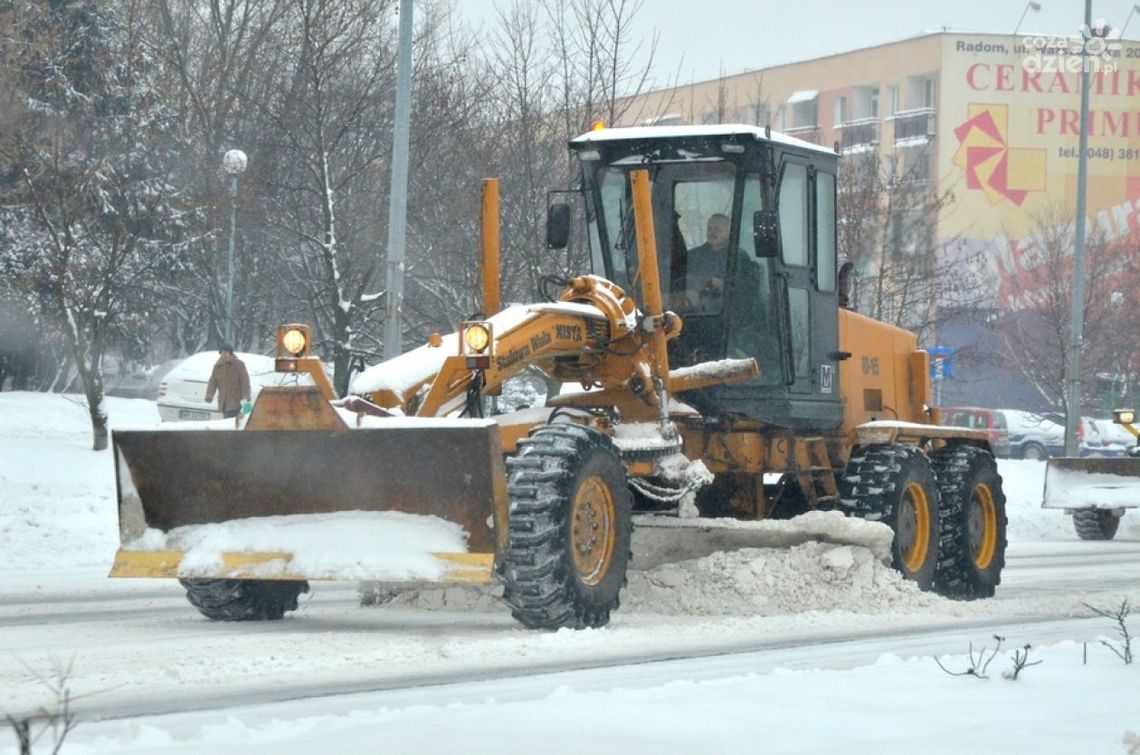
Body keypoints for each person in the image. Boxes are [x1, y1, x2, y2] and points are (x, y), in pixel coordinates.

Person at [671, 213, 733, 313]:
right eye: (710, 228)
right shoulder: (693, 255)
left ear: (728, 232)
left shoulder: (737, 257)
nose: (712, 232)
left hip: (722, 311)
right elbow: (676, 279)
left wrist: (723, 285)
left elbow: (742, 289)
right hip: (690, 309)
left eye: (717, 229)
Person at [205, 344, 251, 419]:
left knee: (235, 421)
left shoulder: (239, 364)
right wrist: (209, 394)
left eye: (226, 353)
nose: (224, 355)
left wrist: (246, 396)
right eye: (222, 353)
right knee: (228, 420)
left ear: (230, 353)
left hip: (237, 400)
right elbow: (213, 381)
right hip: (224, 401)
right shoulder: (218, 366)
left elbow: (245, 381)